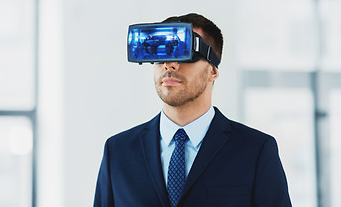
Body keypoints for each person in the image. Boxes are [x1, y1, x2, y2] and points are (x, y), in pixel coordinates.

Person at [94, 13, 292, 207]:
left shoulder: (255, 150)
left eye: (184, 54)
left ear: (212, 71)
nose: (169, 65)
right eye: (160, 53)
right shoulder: (118, 152)